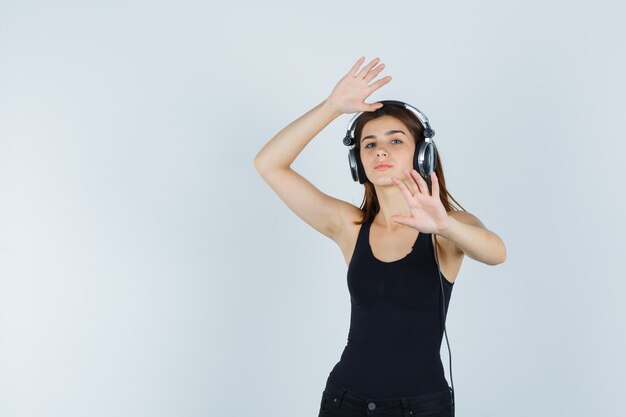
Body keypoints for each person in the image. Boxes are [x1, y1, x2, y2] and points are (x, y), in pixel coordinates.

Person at [253, 56, 506, 417]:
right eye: (368, 144)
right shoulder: (350, 227)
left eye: (395, 140)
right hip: (345, 401)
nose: (380, 150)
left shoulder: (449, 228)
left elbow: (496, 253)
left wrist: (444, 226)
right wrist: (331, 107)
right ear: (358, 162)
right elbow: (269, 164)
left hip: (420, 407)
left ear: (421, 154)